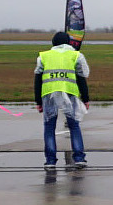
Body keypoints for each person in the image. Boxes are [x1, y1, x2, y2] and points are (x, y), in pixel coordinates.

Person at [34, 31, 91, 169]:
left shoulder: (44, 56)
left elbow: (37, 79)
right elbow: (81, 78)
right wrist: (85, 98)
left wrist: (38, 101)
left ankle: (50, 160)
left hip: (49, 93)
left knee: (49, 127)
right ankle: (79, 158)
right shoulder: (75, 55)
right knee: (74, 125)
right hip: (69, 93)